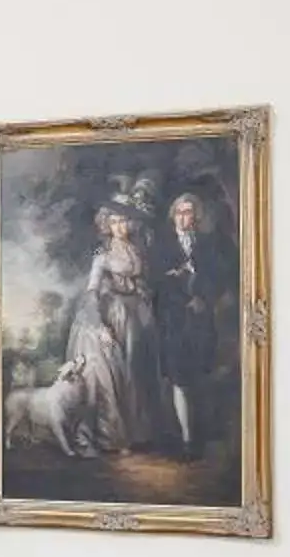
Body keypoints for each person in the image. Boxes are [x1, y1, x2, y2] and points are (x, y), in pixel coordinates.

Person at [60, 202, 165, 453]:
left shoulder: (137, 248)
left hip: (137, 312)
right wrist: (100, 325)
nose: (120, 227)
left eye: (124, 221)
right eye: (115, 222)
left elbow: (142, 280)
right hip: (113, 312)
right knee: (117, 369)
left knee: (138, 368)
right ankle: (114, 436)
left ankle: (140, 432)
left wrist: (143, 292)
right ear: (107, 225)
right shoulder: (102, 251)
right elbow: (92, 289)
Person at [155, 191, 233, 457]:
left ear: (196, 216)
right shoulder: (162, 245)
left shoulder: (207, 245)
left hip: (201, 320)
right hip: (174, 320)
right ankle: (187, 440)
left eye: (188, 212)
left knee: (200, 375)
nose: (183, 217)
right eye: (179, 212)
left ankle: (202, 434)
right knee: (179, 379)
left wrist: (203, 298)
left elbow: (219, 277)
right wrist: (179, 293)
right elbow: (156, 283)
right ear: (172, 215)